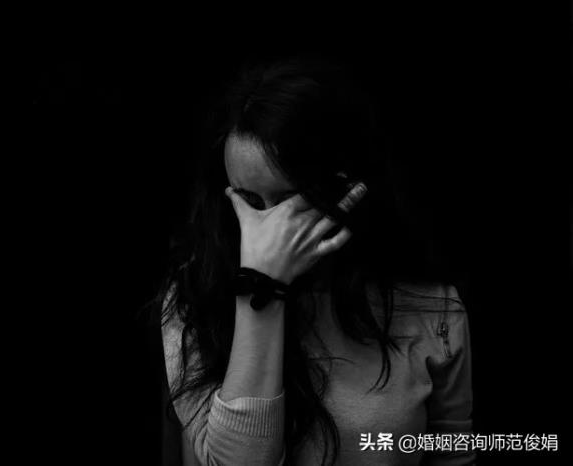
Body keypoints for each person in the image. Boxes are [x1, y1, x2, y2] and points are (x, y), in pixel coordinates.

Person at [154, 55, 474, 465]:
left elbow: (451, 454)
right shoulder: (195, 298)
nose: (267, 230)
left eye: (289, 201)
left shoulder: (430, 305)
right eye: (249, 201)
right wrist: (261, 286)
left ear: (347, 189)